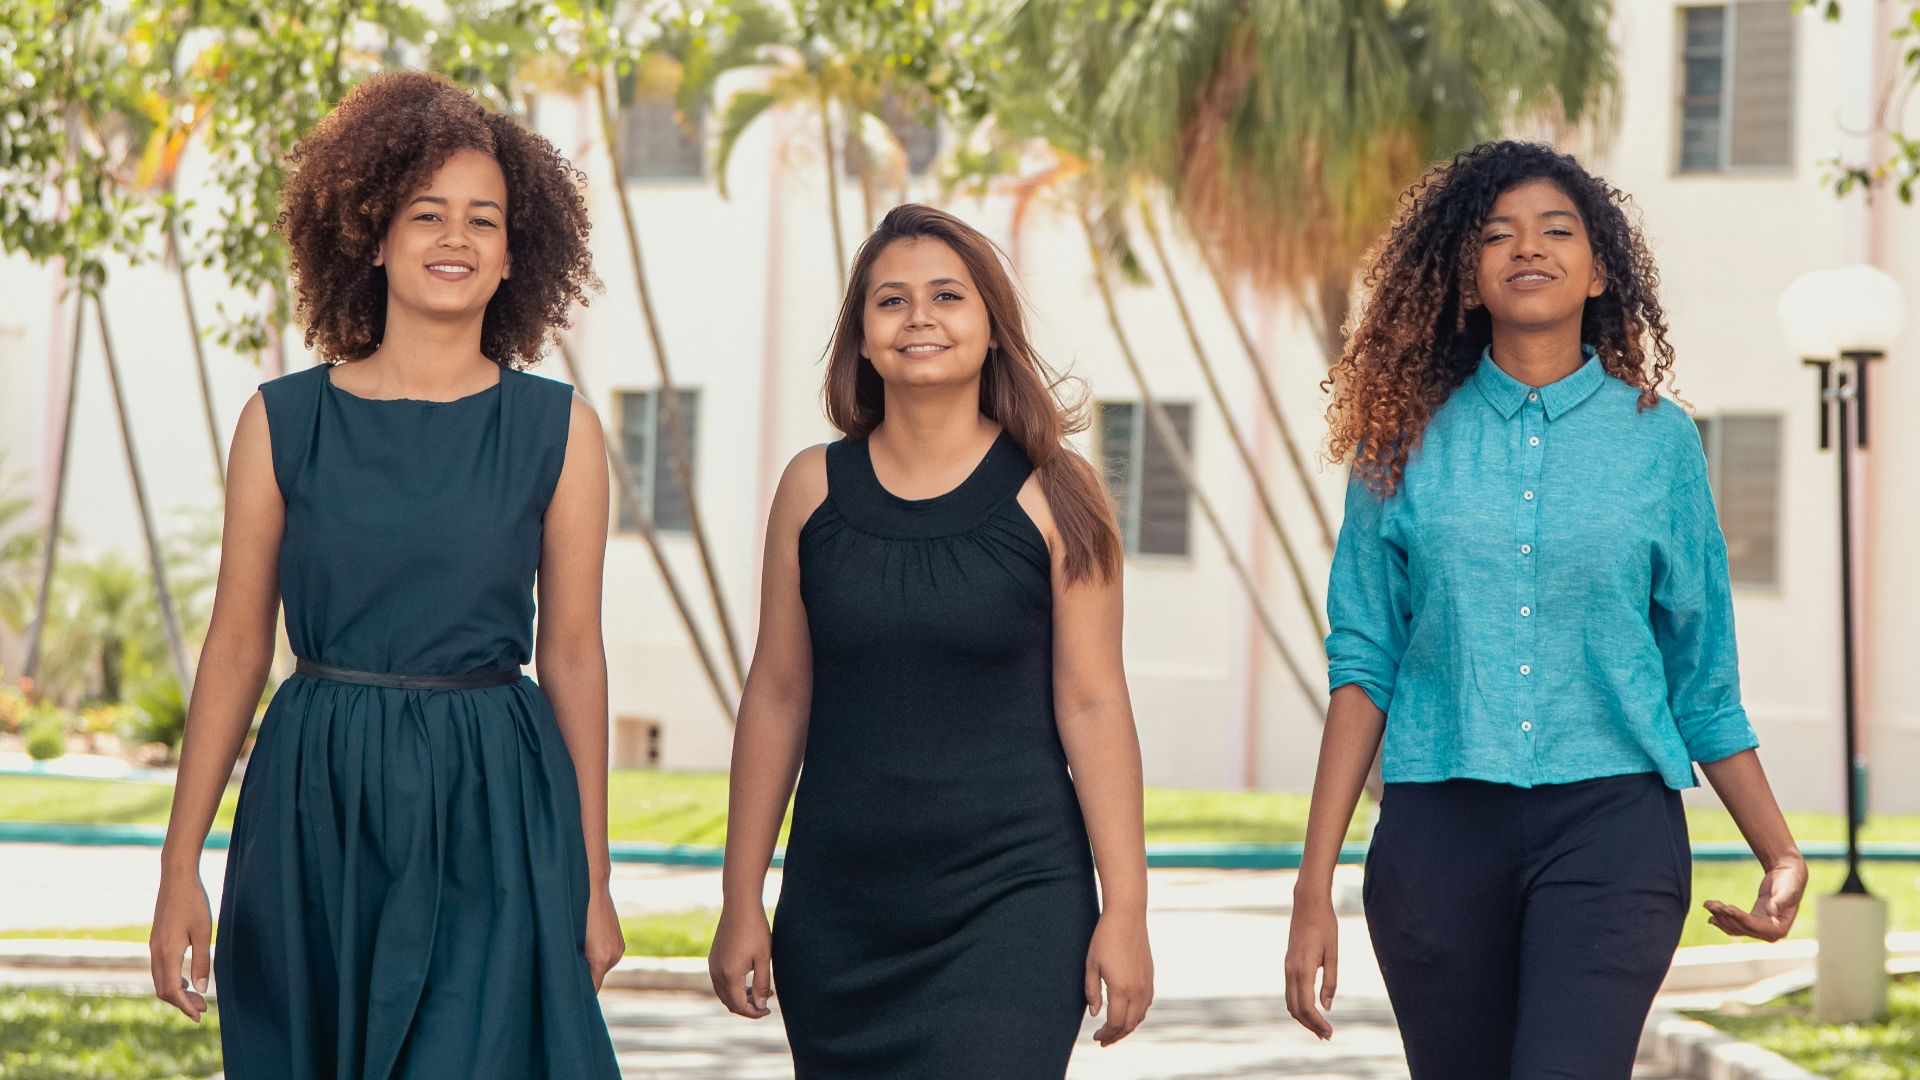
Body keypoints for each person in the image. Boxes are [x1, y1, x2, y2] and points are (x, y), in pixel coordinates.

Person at [1284, 141, 1809, 1078]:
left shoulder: (1661, 444)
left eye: (1557, 230)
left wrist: (1779, 853)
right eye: (1498, 234)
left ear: (1600, 268)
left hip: (1613, 828)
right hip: (1437, 835)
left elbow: (1701, 675)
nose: (1529, 247)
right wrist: (1312, 886)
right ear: (1469, 277)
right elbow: (1364, 661)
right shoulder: (1398, 445)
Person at [148, 71, 622, 1080]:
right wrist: (179, 864)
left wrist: (593, 876)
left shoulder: (559, 431)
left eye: (483, 220)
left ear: (511, 257)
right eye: (426, 214)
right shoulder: (281, 421)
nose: (456, 238)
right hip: (318, 798)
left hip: (494, 798)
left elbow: (575, 655)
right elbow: (236, 645)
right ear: (371, 234)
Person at [707, 203, 1154, 1077]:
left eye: (948, 296)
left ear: (991, 329)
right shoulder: (810, 491)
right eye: (891, 301)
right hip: (839, 912)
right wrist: (739, 896)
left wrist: (1126, 910)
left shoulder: (1060, 494)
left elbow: (1095, 704)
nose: (919, 317)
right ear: (862, 341)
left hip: (1013, 903)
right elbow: (778, 693)